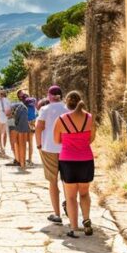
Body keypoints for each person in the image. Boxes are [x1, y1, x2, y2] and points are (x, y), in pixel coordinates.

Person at [54, 91, 96, 237]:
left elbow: (56, 140)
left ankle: (73, 227)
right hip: (86, 159)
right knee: (84, 193)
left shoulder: (61, 119)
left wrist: (70, 141)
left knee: (70, 197)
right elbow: (92, 138)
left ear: (67, 102)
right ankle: (86, 220)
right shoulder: (89, 118)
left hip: (68, 160)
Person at [36, 85, 68, 224]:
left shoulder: (45, 109)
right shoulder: (68, 108)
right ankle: (69, 203)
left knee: (52, 181)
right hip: (66, 148)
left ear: (49, 96)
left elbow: (39, 128)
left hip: (49, 147)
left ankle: (57, 214)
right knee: (67, 180)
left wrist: (38, 145)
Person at [9, 91, 31, 172]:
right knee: (23, 145)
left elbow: (9, 115)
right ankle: (23, 164)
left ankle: (19, 161)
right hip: (22, 123)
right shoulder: (27, 106)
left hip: (14, 121)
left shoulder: (14, 105)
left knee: (16, 143)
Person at [0, 89, 12, 158]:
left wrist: (8, 113)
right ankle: (1, 149)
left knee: (4, 133)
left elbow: (10, 108)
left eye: (2, 93)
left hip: (5, 117)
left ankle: (3, 148)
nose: (1, 94)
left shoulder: (6, 100)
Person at [25, 95, 39, 166]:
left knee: (24, 142)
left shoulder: (25, 109)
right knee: (30, 143)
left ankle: (23, 158)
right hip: (32, 127)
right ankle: (30, 159)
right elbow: (37, 117)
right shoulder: (35, 109)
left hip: (25, 126)